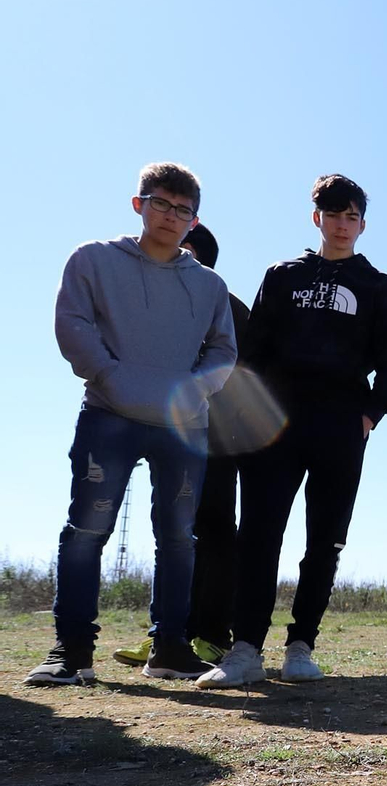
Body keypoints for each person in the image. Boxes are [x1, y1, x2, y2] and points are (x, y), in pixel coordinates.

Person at [26, 162, 236, 686]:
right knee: (86, 531)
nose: (170, 216)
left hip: (183, 427)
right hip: (108, 416)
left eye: (182, 210)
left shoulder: (209, 285)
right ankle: (72, 652)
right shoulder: (93, 260)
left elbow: (223, 350)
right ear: (139, 204)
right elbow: (71, 322)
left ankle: (170, 649)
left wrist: (192, 391)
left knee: (179, 538)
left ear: (194, 220)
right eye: (160, 203)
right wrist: (108, 375)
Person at [198, 174, 387, 689]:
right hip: (275, 425)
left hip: (340, 424)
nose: (342, 225)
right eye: (333, 215)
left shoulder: (377, 285)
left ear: (363, 224)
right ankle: (245, 650)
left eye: (351, 216)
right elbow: (254, 353)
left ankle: (301, 647)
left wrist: (370, 414)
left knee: (325, 541)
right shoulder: (283, 275)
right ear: (317, 218)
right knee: (259, 535)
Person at [112, 223, 257, 669]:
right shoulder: (155, 305)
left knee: (215, 530)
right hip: (168, 434)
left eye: (186, 249)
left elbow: (249, 375)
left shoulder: (230, 306)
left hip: (218, 438)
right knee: (173, 532)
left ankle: (212, 637)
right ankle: (166, 635)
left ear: (204, 258)